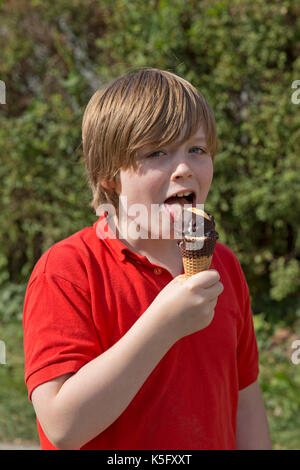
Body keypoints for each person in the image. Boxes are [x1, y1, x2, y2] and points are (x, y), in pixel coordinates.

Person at [23, 67, 272, 450]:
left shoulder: (224, 266)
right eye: (157, 152)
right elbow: (63, 426)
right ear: (110, 174)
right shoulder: (67, 270)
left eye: (197, 149)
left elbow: (245, 401)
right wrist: (162, 326)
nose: (185, 168)